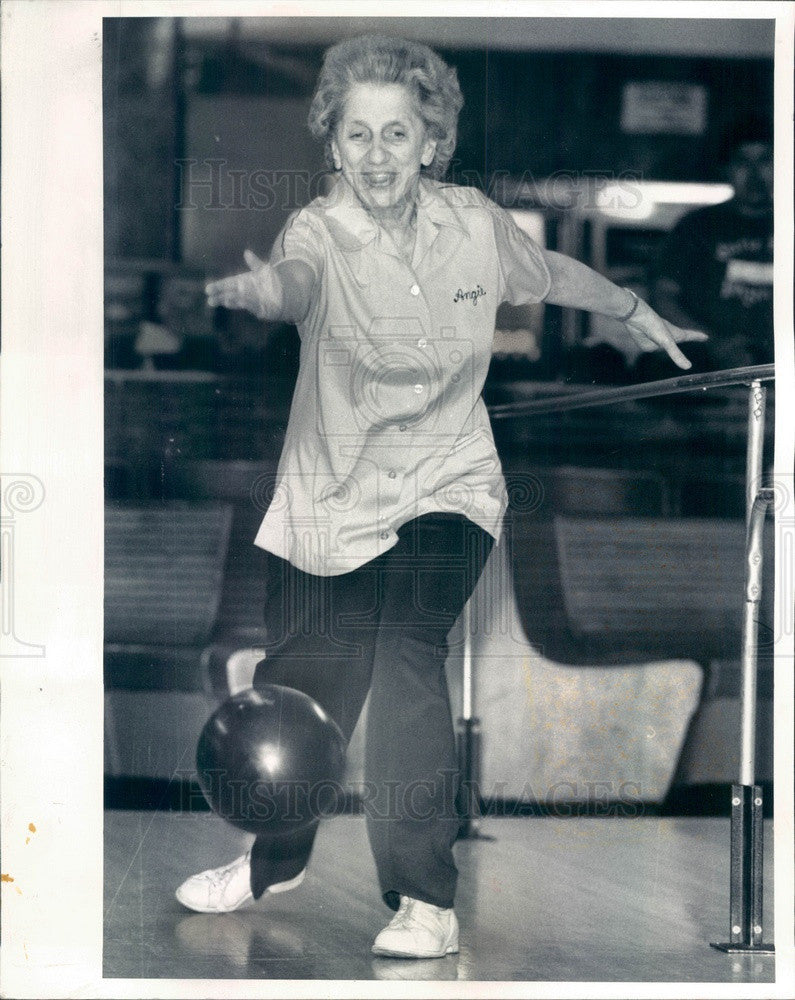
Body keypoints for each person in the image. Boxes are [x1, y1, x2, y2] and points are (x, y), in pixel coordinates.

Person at [175, 34, 705, 959]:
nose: (377, 154)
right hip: (330, 500)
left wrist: (629, 306)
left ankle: (423, 897)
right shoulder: (314, 232)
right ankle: (275, 860)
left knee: (405, 645)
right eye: (356, 135)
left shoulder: (478, 224)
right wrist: (266, 291)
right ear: (332, 146)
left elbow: (553, 277)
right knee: (308, 682)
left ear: (431, 142)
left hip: (448, 482)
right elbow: (299, 284)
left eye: (398, 133)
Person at [634, 115, 773, 381]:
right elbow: (662, 297)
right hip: (706, 371)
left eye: (765, 160)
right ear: (727, 168)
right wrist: (715, 344)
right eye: (743, 162)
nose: (755, 173)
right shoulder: (695, 227)